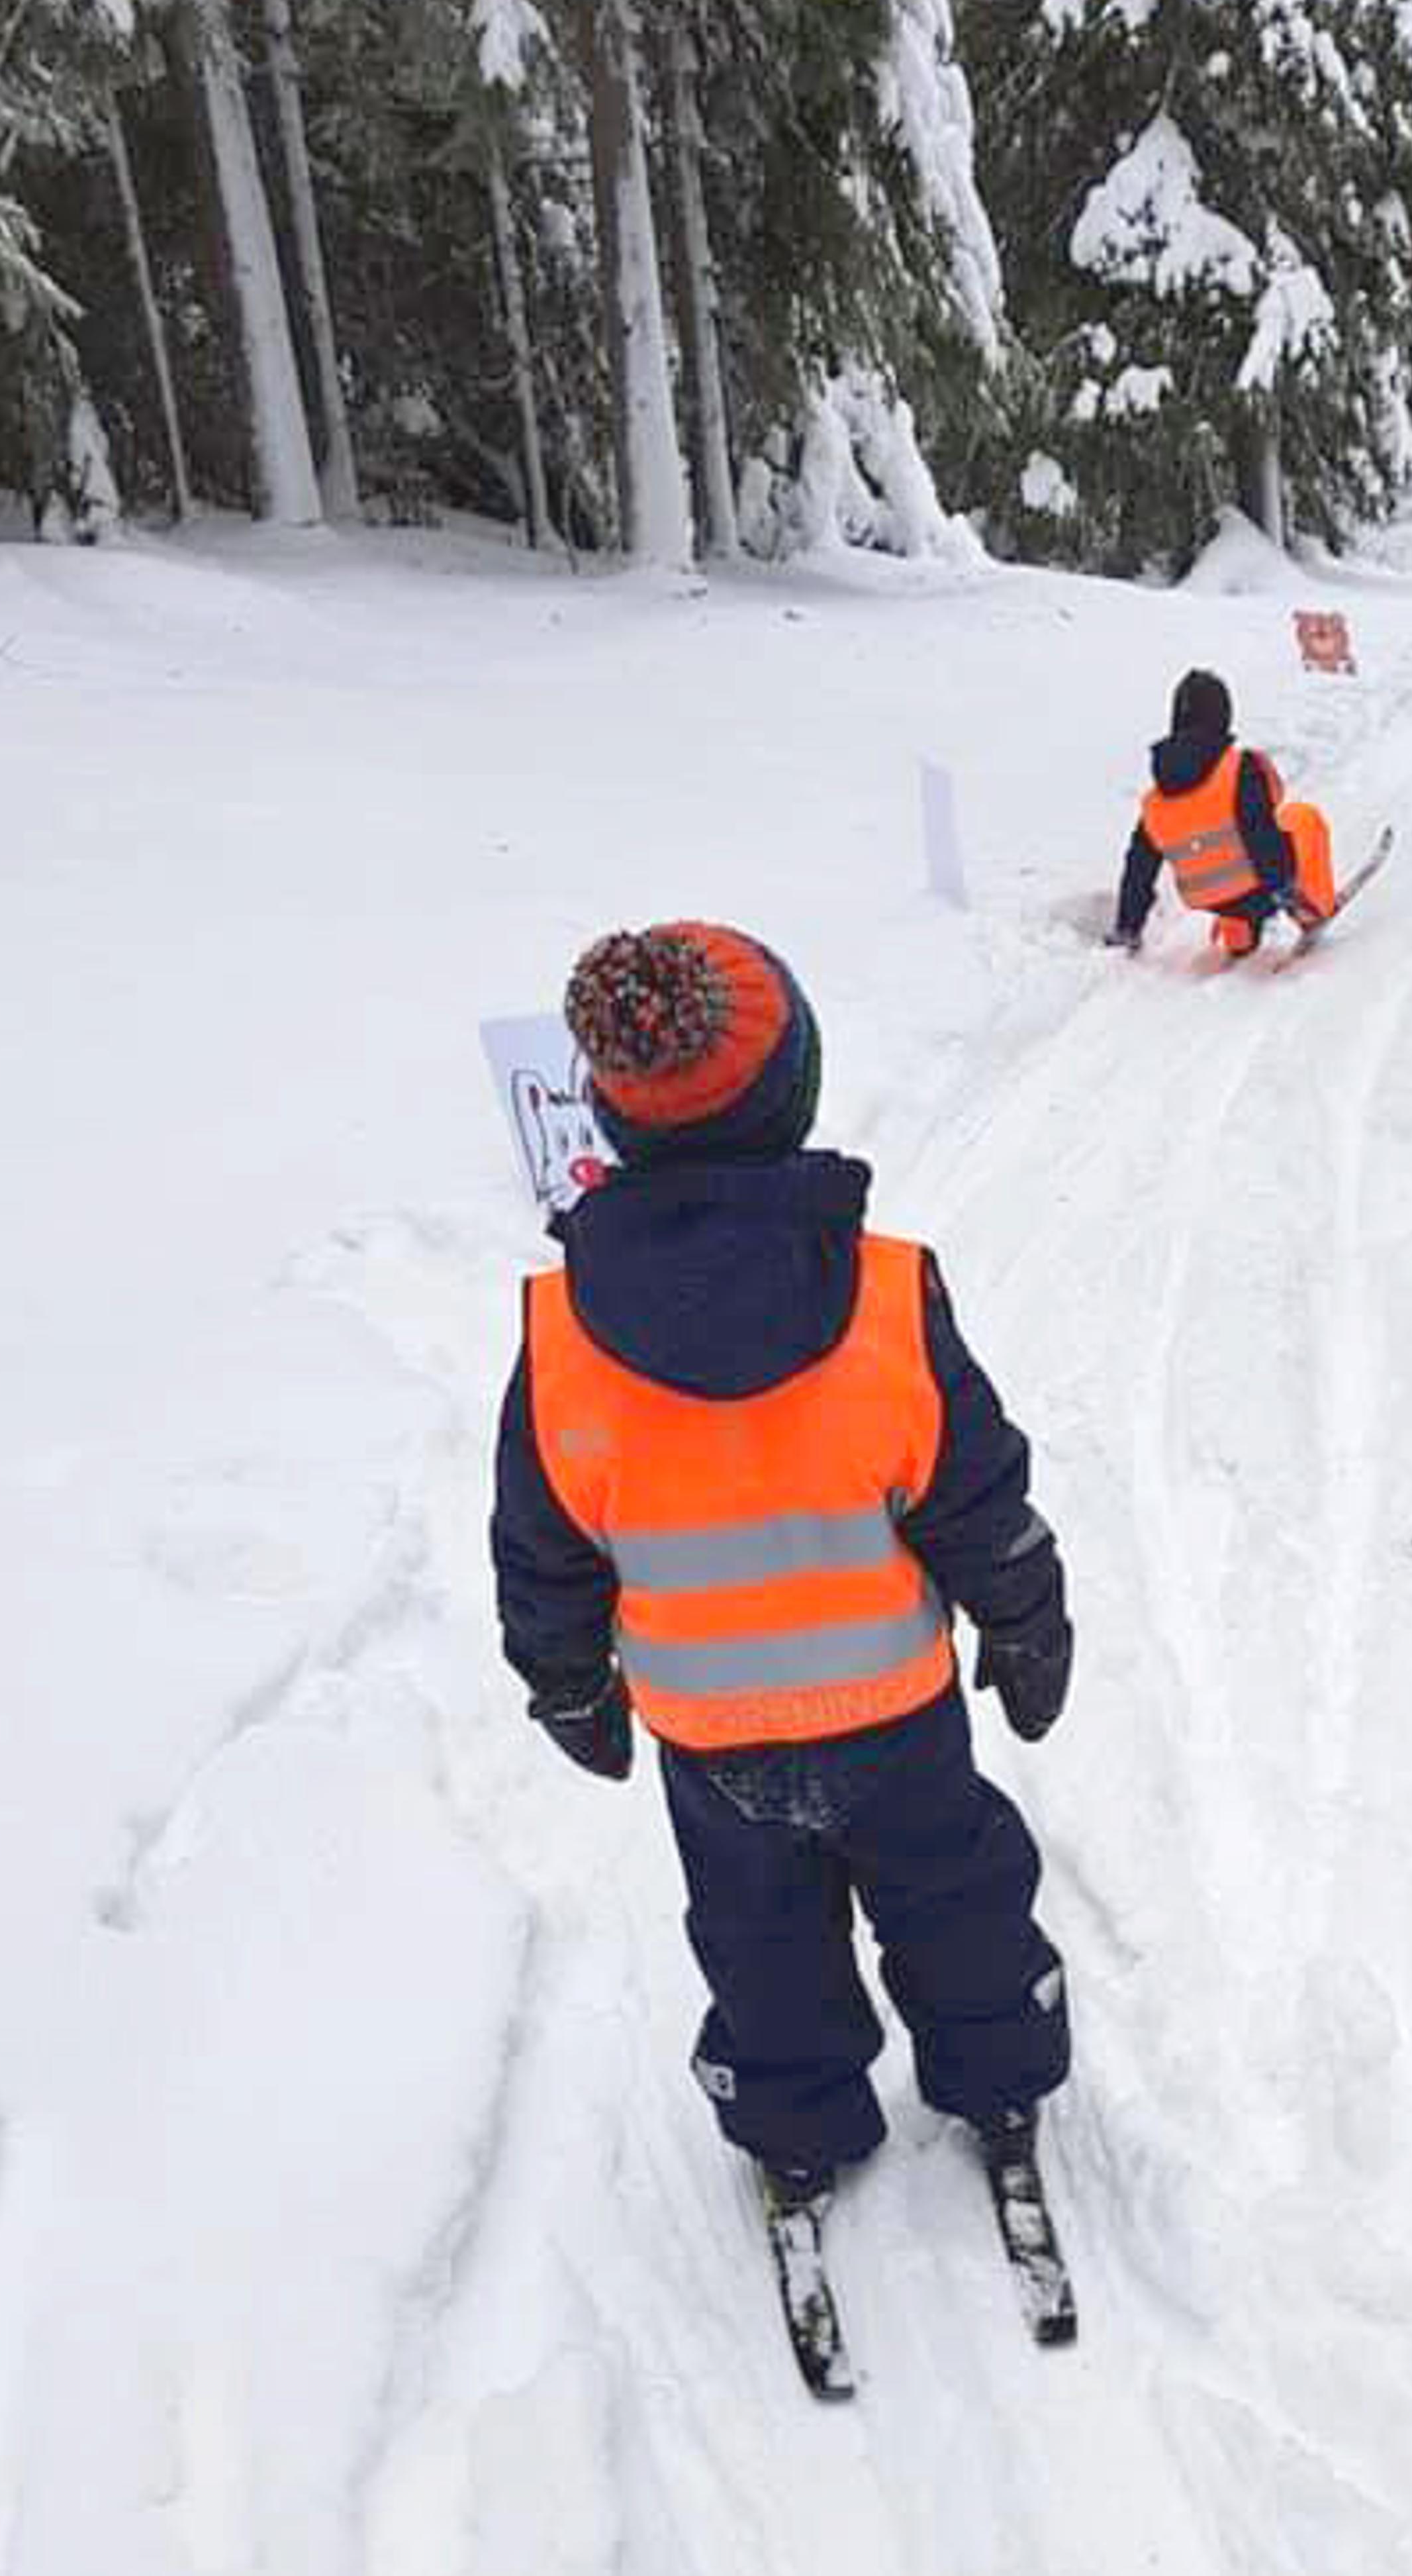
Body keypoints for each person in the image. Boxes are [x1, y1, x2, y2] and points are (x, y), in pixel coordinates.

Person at [490, 920, 1074, 2212]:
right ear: (793, 1092)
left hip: (714, 1740)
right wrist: (1027, 1616)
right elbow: (975, 1490)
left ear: (614, 1116)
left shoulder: (563, 1339)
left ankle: (794, 2117)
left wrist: (567, 1681)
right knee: (957, 1898)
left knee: (762, 1940)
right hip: (895, 1714)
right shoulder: (887, 1300)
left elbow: (542, 1544)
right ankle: (997, 2073)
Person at [1107, 668, 1341, 958]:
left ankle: (1238, 937)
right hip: (1257, 890)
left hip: (1208, 899)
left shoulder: (1155, 799)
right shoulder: (1240, 768)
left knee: (1232, 871)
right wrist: (1285, 892)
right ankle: (1316, 910)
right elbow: (1261, 834)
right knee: (1304, 817)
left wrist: (1127, 927)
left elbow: (1140, 868)